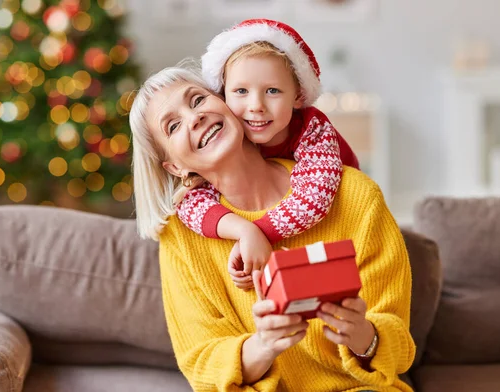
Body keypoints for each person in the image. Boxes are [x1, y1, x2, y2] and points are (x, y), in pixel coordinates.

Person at [129, 64, 415, 391]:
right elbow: (202, 364)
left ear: (229, 104)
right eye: (174, 125)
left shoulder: (355, 196)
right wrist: (264, 345)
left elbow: (398, 342)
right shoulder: (181, 237)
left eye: (197, 101)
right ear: (175, 167)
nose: (195, 118)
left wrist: (363, 334)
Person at [176, 19, 361, 288]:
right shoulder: (224, 141)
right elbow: (191, 203)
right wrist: (243, 230)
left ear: (297, 96)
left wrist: (258, 234)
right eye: (241, 91)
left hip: (345, 216)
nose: (256, 106)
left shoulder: (313, 129)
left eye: (272, 91)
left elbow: (314, 199)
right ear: (223, 94)